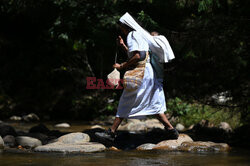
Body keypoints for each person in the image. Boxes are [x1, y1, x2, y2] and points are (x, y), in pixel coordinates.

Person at [95, 13, 179, 142]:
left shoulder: (132, 35)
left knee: (125, 100)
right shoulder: (139, 34)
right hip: (149, 73)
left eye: (121, 27)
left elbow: (138, 56)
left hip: (141, 73)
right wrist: (123, 46)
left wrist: (122, 65)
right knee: (153, 102)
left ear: (125, 26)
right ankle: (171, 130)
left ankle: (111, 133)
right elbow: (138, 53)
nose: (121, 30)